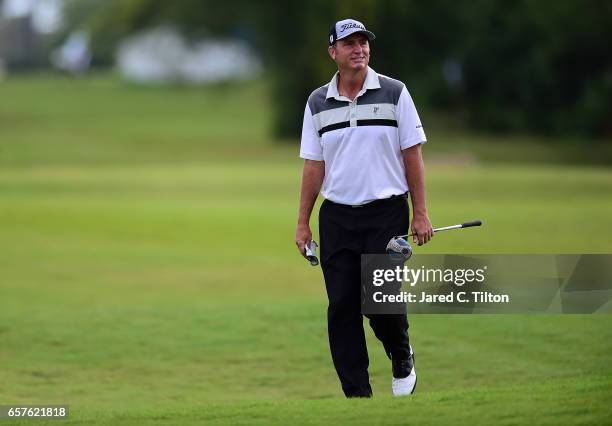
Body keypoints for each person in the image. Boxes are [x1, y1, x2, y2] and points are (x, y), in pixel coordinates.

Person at [295, 18, 433, 398]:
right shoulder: (317, 102)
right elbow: (313, 165)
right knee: (342, 306)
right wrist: (303, 223)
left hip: (386, 212)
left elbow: (413, 155)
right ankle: (357, 395)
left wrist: (420, 212)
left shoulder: (395, 92)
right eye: (350, 43)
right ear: (333, 52)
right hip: (337, 215)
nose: (359, 49)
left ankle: (401, 353)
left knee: (379, 300)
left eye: (363, 43)